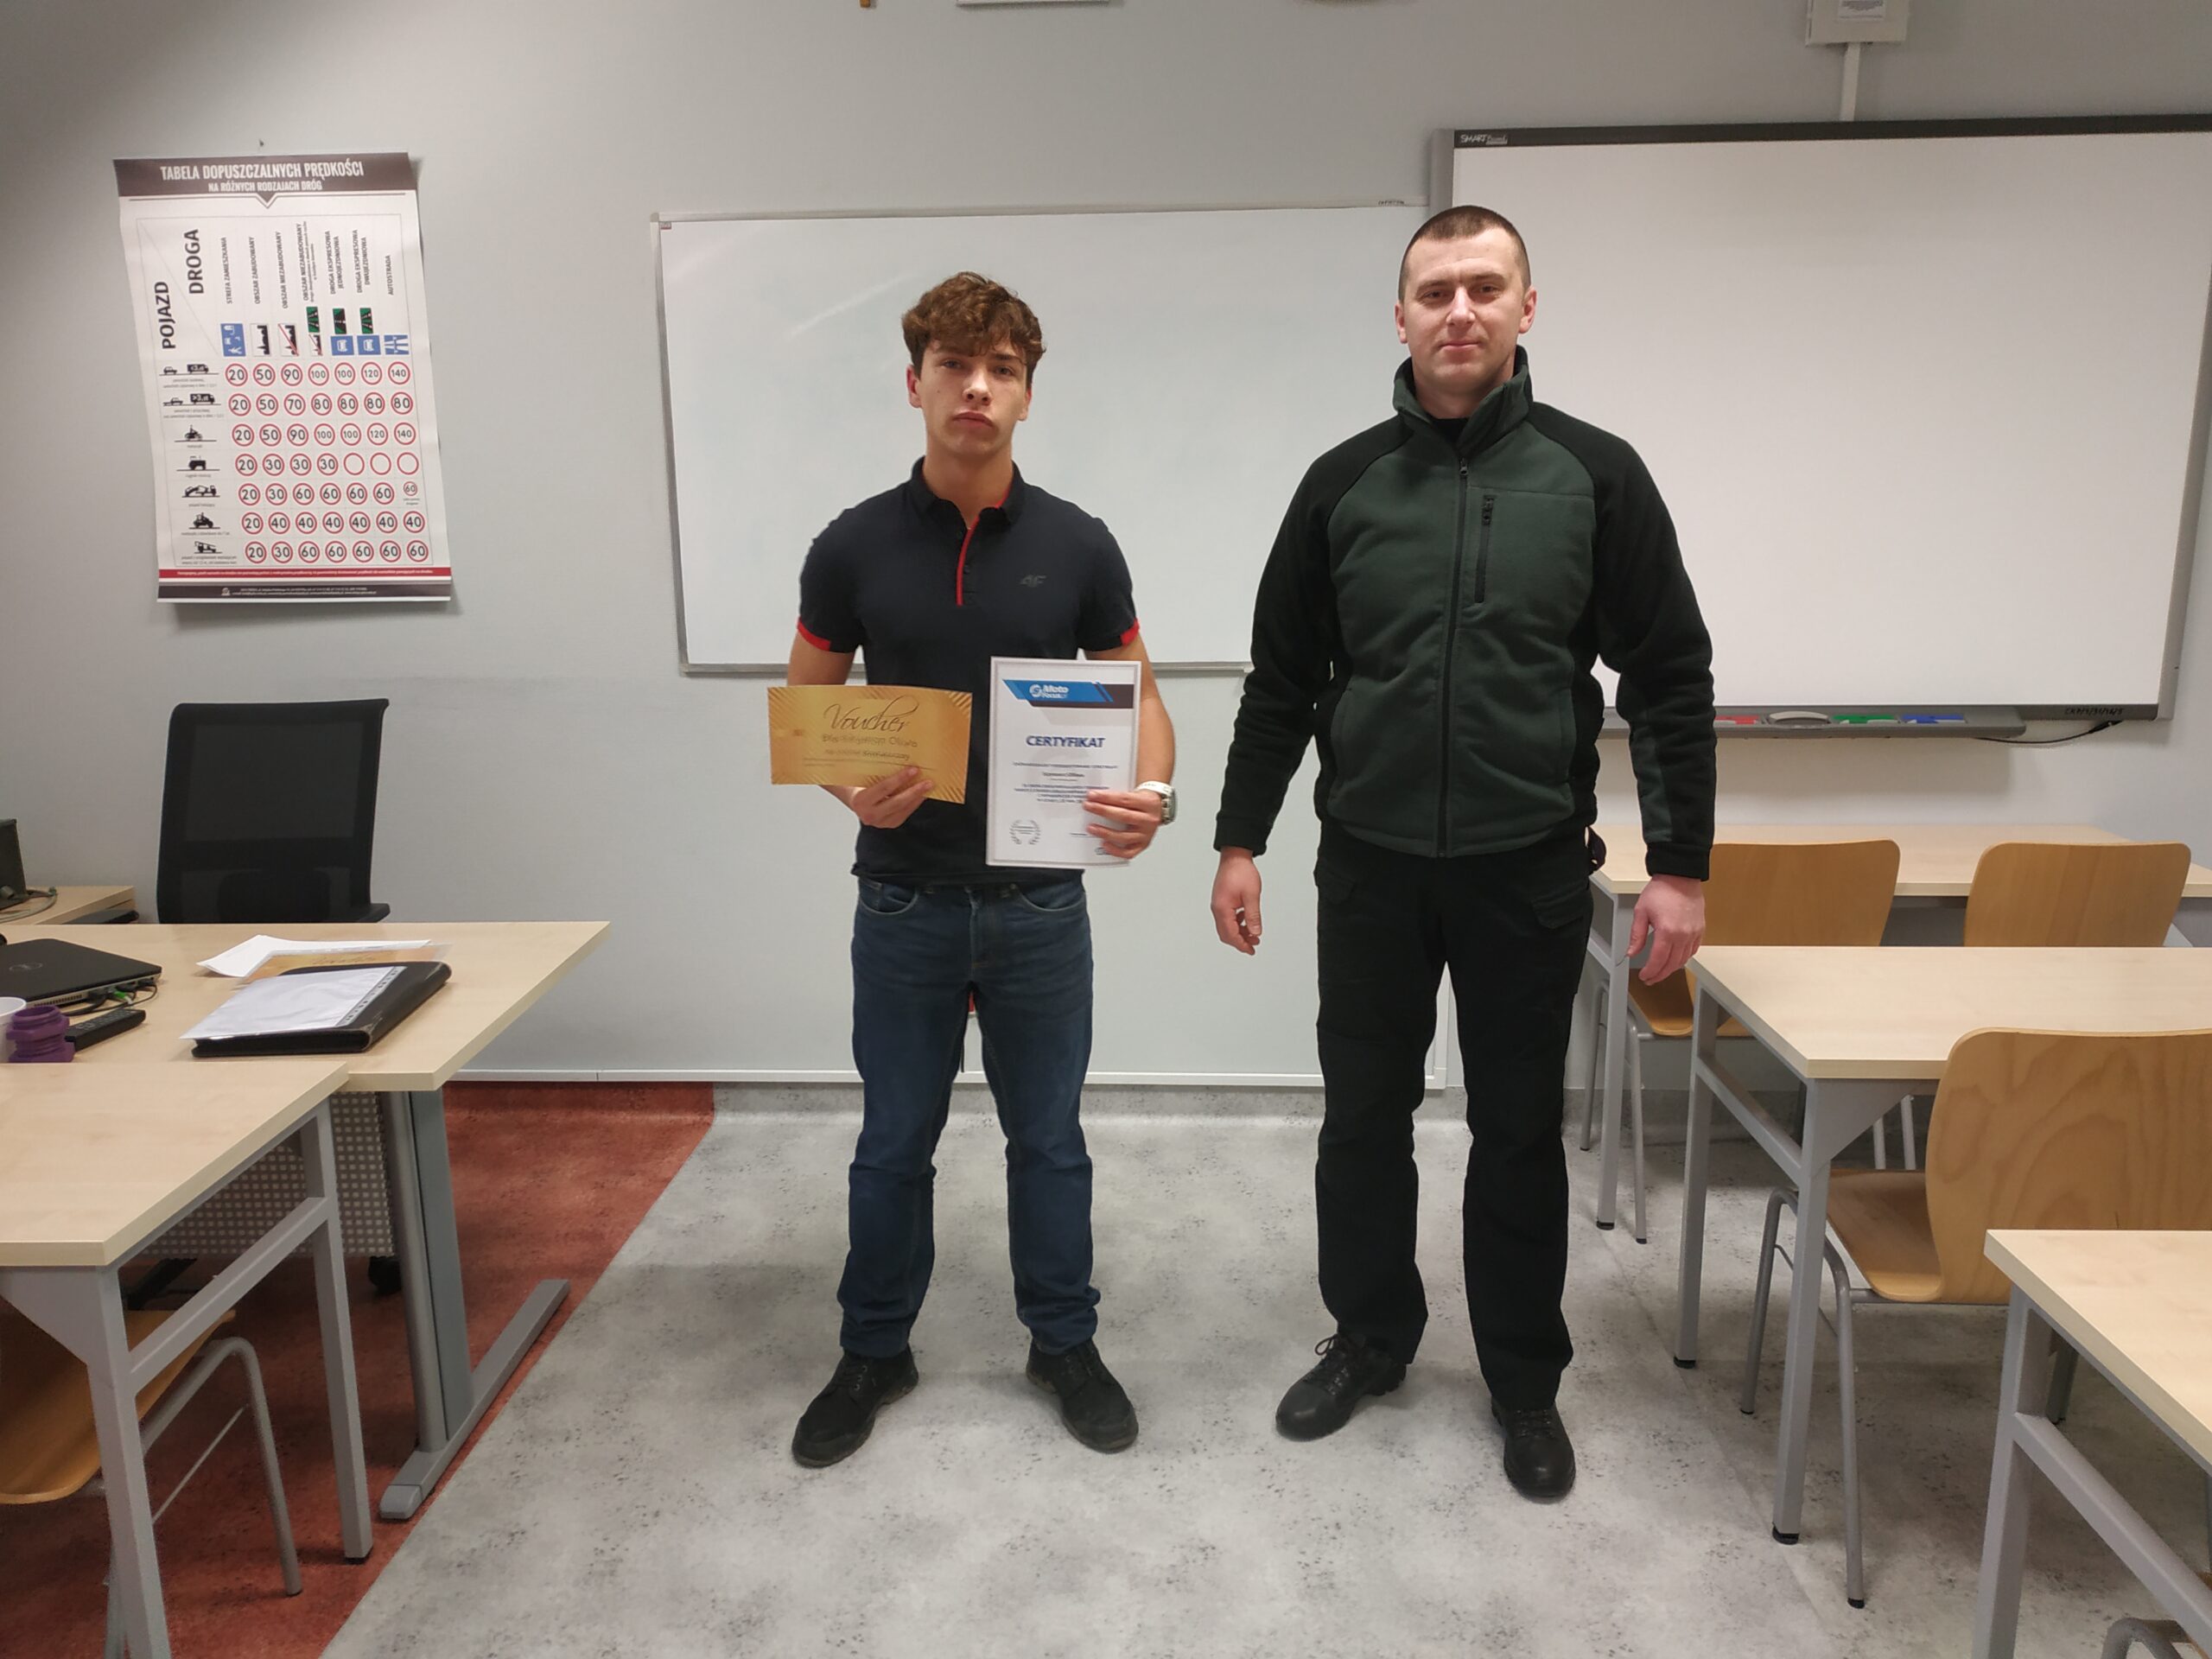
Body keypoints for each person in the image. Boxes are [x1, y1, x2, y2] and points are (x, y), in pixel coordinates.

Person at [1209, 206, 1716, 1499]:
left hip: (1525, 868)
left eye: (1485, 287)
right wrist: (1239, 838)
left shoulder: (1596, 477)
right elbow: (1281, 680)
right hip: (1370, 868)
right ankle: (1371, 1338)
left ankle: (1524, 1381)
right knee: (1362, 1121)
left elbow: (1668, 675)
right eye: (1435, 290)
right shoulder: (1341, 486)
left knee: (1517, 1134)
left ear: (1526, 308)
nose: (1460, 312)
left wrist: (1679, 867)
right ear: (1400, 316)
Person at [786, 272, 1177, 1467]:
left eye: (1001, 369)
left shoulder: (1078, 544)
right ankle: (873, 1349)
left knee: (1049, 1143)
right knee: (891, 1143)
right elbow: (810, 710)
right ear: (914, 384)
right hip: (903, 898)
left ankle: (1064, 1344)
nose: (977, 387)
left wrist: (1153, 797)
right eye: (955, 366)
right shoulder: (851, 545)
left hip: (1039, 905)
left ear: (1026, 395)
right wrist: (848, 788)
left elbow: (1143, 699)